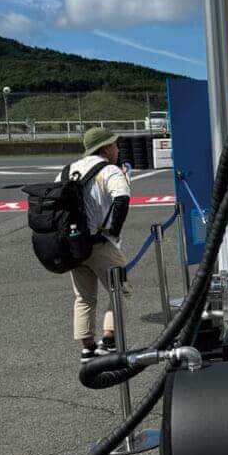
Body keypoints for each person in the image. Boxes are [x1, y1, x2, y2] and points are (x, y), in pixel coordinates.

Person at [63, 126, 132, 360]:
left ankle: (87, 347)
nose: (117, 148)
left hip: (73, 245)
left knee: (83, 297)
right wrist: (114, 230)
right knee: (119, 290)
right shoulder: (109, 170)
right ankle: (109, 339)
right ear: (105, 148)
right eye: (114, 144)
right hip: (100, 243)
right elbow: (121, 198)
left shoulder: (69, 170)